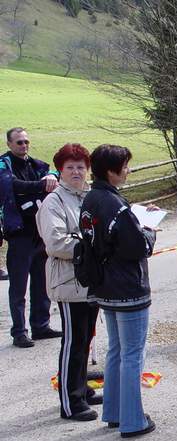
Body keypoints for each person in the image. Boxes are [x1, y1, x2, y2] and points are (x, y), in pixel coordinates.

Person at [80, 144, 157, 437]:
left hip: (104, 286)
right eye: (124, 166)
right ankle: (133, 420)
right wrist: (148, 230)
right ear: (111, 171)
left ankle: (113, 411)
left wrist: (135, 220)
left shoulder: (91, 198)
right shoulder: (116, 205)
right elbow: (137, 246)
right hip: (127, 286)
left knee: (116, 350)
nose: (128, 171)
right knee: (133, 354)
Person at [36, 143, 101, 421]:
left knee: (86, 338)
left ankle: (81, 388)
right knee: (74, 342)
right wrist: (92, 246)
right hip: (68, 280)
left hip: (89, 280)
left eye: (80, 167)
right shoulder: (54, 202)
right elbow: (55, 243)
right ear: (60, 171)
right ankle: (70, 402)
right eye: (70, 167)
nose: (76, 172)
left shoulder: (87, 196)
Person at [0, 127, 62, 348]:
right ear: (9, 144)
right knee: (18, 286)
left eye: (26, 141)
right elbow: (11, 185)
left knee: (41, 282)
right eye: (19, 142)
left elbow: (53, 172)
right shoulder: (3, 165)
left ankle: (41, 326)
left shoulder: (35, 164)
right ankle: (19, 332)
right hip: (19, 234)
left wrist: (51, 176)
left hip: (40, 232)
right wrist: (42, 185)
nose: (24, 145)